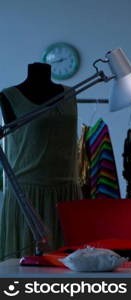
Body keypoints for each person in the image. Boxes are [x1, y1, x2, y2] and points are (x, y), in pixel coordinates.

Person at [0, 63, 81, 260]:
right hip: (27, 193)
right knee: (28, 262)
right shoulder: (9, 96)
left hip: (67, 191)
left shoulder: (70, 94)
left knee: (71, 265)